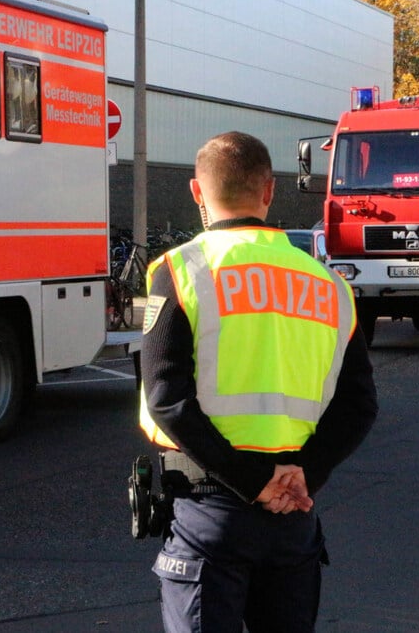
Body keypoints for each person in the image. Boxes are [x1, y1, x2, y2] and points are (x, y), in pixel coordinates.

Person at [139, 131, 378, 632]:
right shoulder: (330, 286)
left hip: (212, 513)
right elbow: (359, 405)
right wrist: (302, 477)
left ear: (197, 193)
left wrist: (253, 484)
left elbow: (166, 399)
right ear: (269, 191)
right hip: (294, 518)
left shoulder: (181, 272)